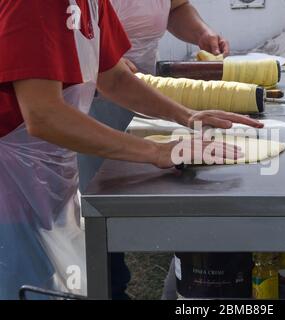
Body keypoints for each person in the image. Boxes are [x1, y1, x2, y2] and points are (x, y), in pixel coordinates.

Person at [0, 0, 262, 300]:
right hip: (10, 181)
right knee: (20, 280)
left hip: (48, 170)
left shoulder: (92, 4)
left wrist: (186, 115)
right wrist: (154, 151)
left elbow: (114, 78)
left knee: (54, 280)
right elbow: (44, 115)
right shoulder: (33, 5)